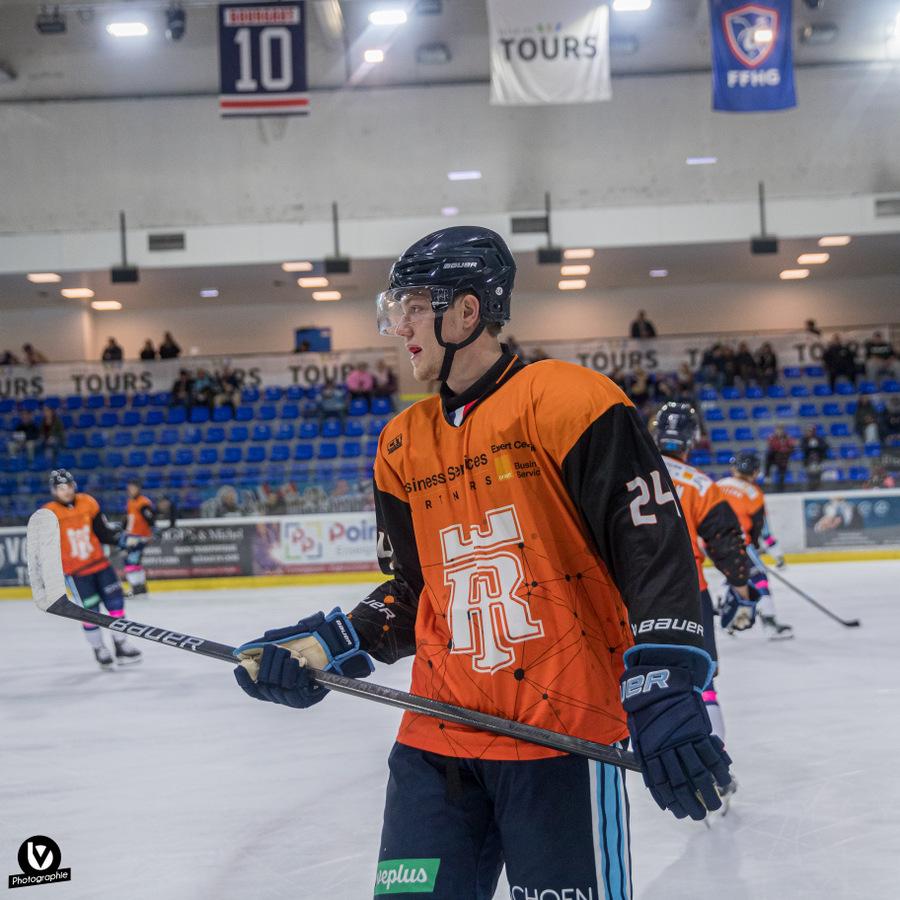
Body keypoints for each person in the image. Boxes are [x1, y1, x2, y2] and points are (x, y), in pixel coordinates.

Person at [232, 226, 733, 899]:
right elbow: (417, 591)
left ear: (467, 311)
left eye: (415, 308)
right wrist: (331, 645)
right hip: (435, 743)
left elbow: (655, 555)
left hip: (562, 738)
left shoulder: (573, 401)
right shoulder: (400, 444)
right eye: (397, 310)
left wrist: (666, 681)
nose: (400, 328)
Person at [653, 402, 756, 805]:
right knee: (702, 683)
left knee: (641, 682)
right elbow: (727, 545)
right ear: (692, 439)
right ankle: (715, 773)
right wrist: (743, 593)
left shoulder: (626, 474)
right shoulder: (699, 484)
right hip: (686, 594)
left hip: (629, 597)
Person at [43, 470, 143, 668]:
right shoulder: (48, 513)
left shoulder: (88, 502)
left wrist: (122, 541)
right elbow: (46, 548)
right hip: (77, 573)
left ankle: (121, 644)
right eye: (61, 488)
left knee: (116, 606)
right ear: (54, 491)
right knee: (90, 612)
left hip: (101, 565)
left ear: (74, 486)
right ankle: (99, 648)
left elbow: (102, 532)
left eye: (68, 486)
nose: (66, 491)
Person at [717, 451, 793, 638]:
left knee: (735, 577)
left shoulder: (718, 485)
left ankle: (726, 617)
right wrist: (776, 554)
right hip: (738, 543)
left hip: (712, 544)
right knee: (759, 577)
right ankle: (769, 623)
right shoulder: (753, 493)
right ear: (755, 472)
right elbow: (761, 531)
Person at [122, 479, 155, 595]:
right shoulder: (131, 502)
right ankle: (140, 586)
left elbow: (150, 519)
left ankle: (136, 586)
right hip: (132, 535)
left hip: (139, 536)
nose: (130, 491)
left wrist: (150, 533)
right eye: (129, 488)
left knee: (131, 560)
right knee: (134, 561)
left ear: (138, 489)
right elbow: (128, 518)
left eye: (133, 488)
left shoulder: (143, 502)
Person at [765, 425, 795, 492]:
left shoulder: (787, 436)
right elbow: (772, 446)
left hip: (784, 457)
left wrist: (784, 449)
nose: (779, 431)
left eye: (781, 430)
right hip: (774, 456)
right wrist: (781, 446)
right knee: (768, 456)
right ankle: (767, 476)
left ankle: (781, 486)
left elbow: (792, 445)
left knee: (782, 470)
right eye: (777, 430)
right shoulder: (772, 436)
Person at [801, 425, 829, 492]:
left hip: (818, 461)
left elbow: (826, 446)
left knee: (818, 475)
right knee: (810, 476)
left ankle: (818, 489)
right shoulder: (804, 439)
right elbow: (803, 448)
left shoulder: (819, 439)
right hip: (808, 461)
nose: (808, 432)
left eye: (810, 431)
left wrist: (816, 445)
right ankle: (810, 489)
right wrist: (810, 446)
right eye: (808, 431)